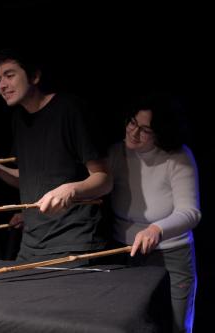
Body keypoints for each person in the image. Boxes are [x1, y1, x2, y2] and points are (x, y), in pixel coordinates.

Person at [0, 48, 112, 262]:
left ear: (34, 76)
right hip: (32, 244)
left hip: (75, 242)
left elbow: (105, 180)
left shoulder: (69, 109)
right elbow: (28, 180)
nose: (2, 85)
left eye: (10, 75)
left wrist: (70, 189)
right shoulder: (19, 119)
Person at [107, 94, 201, 333]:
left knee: (177, 326)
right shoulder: (116, 153)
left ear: (161, 132)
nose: (134, 133)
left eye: (145, 129)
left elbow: (190, 212)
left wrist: (156, 229)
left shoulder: (177, 156)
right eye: (132, 123)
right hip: (126, 252)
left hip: (172, 255)